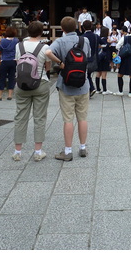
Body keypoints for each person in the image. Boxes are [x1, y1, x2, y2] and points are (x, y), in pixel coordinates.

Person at [45, 16, 91, 161]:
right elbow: (88, 57)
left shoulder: (60, 41)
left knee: (68, 119)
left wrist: (60, 62)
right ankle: (83, 148)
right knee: (82, 118)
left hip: (66, 85)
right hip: (83, 84)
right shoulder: (85, 40)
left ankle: (68, 151)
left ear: (62, 29)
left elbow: (47, 53)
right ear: (76, 28)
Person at [12, 21, 51, 162]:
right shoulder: (44, 47)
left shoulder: (19, 45)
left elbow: (18, 63)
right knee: (39, 117)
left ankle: (17, 151)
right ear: (41, 32)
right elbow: (47, 67)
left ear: (28, 31)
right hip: (40, 83)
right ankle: (38, 151)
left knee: (20, 116)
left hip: (22, 84)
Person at [0, 25, 19, 101]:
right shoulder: (16, 41)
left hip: (4, 61)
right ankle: (10, 95)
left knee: (2, 78)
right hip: (13, 61)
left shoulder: (3, 41)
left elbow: (0, 49)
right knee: (11, 77)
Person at [81, 20, 99, 97]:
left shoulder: (82, 37)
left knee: (86, 74)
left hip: (85, 59)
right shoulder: (96, 36)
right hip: (94, 59)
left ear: (83, 27)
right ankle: (91, 88)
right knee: (88, 74)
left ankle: (90, 88)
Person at [95, 26, 112, 94]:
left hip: (99, 57)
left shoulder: (99, 38)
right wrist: (108, 43)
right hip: (105, 58)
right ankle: (104, 89)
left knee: (98, 73)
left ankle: (98, 89)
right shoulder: (105, 39)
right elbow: (105, 47)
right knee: (104, 74)